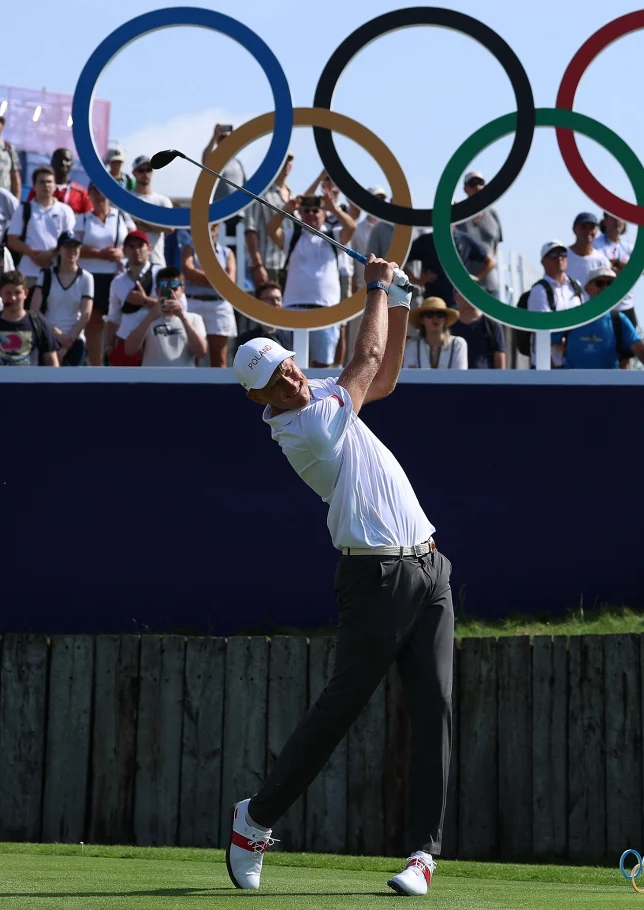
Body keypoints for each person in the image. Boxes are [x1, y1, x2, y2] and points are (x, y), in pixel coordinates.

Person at [227, 257, 452, 898]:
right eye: (276, 379)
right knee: (340, 711)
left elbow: (384, 377)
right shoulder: (308, 428)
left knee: (435, 708)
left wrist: (402, 298)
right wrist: (377, 286)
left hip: (429, 566)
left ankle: (422, 856)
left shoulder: (318, 392)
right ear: (259, 399)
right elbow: (367, 355)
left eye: (289, 364)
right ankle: (255, 821)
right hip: (374, 578)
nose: (292, 378)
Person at [269, 184, 353, 367]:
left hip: (327, 310)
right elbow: (271, 230)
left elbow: (351, 227)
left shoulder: (334, 237)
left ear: (324, 215)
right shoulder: (293, 236)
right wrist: (287, 209)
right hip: (293, 309)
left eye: (317, 210)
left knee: (323, 365)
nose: (311, 214)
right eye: (307, 210)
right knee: (291, 365)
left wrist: (334, 209)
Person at [75, 183, 134, 366]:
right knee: (93, 325)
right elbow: (74, 248)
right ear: (89, 196)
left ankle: (117, 364)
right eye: (95, 193)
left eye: (103, 193)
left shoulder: (122, 216)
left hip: (116, 277)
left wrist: (122, 253)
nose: (100, 197)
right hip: (91, 277)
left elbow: (134, 241)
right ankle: (96, 367)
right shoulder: (83, 219)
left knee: (118, 323)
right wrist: (98, 254)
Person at [554, 267, 644, 370]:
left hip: (608, 384)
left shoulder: (619, 320)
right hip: (571, 383)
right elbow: (548, 340)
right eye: (599, 283)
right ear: (587, 289)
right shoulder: (572, 316)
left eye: (610, 284)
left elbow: (639, 348)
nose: (605, 288)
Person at [0, 269, 60, 381]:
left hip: (31, 392)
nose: (13, 298)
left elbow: (51, 360)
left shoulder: (39, 322)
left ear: (25, 294)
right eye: (8, 293)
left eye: (17, 293)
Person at [120, 267, 208, 367]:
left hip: (184, 379)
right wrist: (151, 317)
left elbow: (201, 352)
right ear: (157, 291)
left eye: (174, 286)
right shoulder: (144, 317)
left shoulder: (194, 319)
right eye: (164, 286)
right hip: (153, 379)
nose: (170, 291)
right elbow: (129, 350)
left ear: (182, 290)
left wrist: (183, 318)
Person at [28, 232, 94, 366]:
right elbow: (34, 310)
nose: (72, 251)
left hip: (75, 340)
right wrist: (57, 334)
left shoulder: (87, 278)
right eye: (67, 247)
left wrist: (66, 345)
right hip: (48, 338)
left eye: (75, 247)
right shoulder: (46, 274)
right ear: (59, 250)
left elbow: (85, 315)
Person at [178, 221, 237, 368]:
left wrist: (204, 278)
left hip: (219, 305)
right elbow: (189, 272)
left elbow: (229, 281)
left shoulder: (227, 252)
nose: (209, 230)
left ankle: (220, 391)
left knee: (220, 357)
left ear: (217, 227)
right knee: (192, 353)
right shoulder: (189, 249)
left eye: (212, 226)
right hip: (194, 303)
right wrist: (218, 279)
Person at [7, 167, 76, 287]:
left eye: (49, 182)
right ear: (34, 186)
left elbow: (69, 241)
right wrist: (34, 254)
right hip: (27, 273)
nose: (46, 185)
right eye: (42, 182)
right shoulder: (23, 209)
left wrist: (49, 255)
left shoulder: (65, 210)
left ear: (55, 186)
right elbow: (12, 240)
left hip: (56, 272)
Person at [524, 240, 582, 368]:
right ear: (543, 262)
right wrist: (567, 341)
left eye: (562, 253)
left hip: (572, 364)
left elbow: (583, 319)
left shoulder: (575, 286)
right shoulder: (539, 290)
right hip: (546, 366)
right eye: (553, 255)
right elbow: (543, 326)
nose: (559, 258)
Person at [244, 150, 294, 289]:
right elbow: (250, 230)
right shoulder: (260, 193)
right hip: (268, 264)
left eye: (289, 159)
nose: (287, 163)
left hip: (290, 266)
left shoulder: (292, 195)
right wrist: (257, 265)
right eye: (283, 159)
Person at [105, 230, 154, 357]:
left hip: (156, 341)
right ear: (124, 251)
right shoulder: (117, 282)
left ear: (149, 249)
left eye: (140, 246)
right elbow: (113, 317)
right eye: (131, 246)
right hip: (127, 342)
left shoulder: (162, 274)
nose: (136, 250)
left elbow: (176, 305)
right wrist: (109, 346)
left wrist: (145, 301)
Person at [457, 171, 503, 300]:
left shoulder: (493, 214)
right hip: (463, 284)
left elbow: (495, 246)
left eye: (480, 183)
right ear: (465, 188)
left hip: (490, 284)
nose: (477, 187)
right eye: (472, 183)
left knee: (492, 320)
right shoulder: (457, 214)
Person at [130, 155, 175, 267]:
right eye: (141, 170)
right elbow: (127, 227)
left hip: (156, 261)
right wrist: (158, 225)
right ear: (134, 173)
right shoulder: (127, 198)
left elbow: (170, 228)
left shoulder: (163, 200)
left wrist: (140, 223)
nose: (145, 173)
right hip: (132, 262)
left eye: (149, 170)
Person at [403, 296, 467, 369]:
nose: (435, 318)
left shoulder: (457, 344)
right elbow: (410, 375)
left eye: (440, 314)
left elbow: (460, 376)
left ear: (445, 319)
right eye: (429, 314)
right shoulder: (412, 345)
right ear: (422, 320)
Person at [448, 290, 504, 369]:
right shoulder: (448, 322)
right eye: (464, 290)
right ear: (455, 295)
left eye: (473, 290)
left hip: (484, 379)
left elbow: (499, 355)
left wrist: (499, 380)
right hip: (453, 379)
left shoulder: (491, 323)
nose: (469, 295)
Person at [594, 212, 634, 322]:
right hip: (603, 304)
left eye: (620, 218)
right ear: (605, 221)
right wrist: (621, 266)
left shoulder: (628, 247)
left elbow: (638, 270)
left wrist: (616, 265)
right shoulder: (596, 244)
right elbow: (599, 268)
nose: (617, 221)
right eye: (613, 217)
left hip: (626, 304)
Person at [235, 281, 294, 351]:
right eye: (270, 299)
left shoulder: (291, 336)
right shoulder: (247, 340)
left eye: (279, 299)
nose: (276, 303)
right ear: (258, 303)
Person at [36, 148, 91, 215]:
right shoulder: (39, 188)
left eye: (67, 160)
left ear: (72, 164)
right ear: (52, 162)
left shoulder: (82, 193)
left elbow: (88, 218)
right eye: (59, 159)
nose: (63, 163)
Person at [204, 124, 247, 204]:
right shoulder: (216, 161)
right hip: (220, 208)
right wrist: (215, 136)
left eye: (227, 140)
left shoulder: (238, 163)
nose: (224, 143)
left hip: (238, 210)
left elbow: (246, 186)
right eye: (221, 140)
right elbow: (205, 160)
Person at [565, 212, 609, 288]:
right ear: (574, 229)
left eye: (592, 227)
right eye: (583, 227)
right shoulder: (563, 257)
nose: (588, 231)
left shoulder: (602, 261)